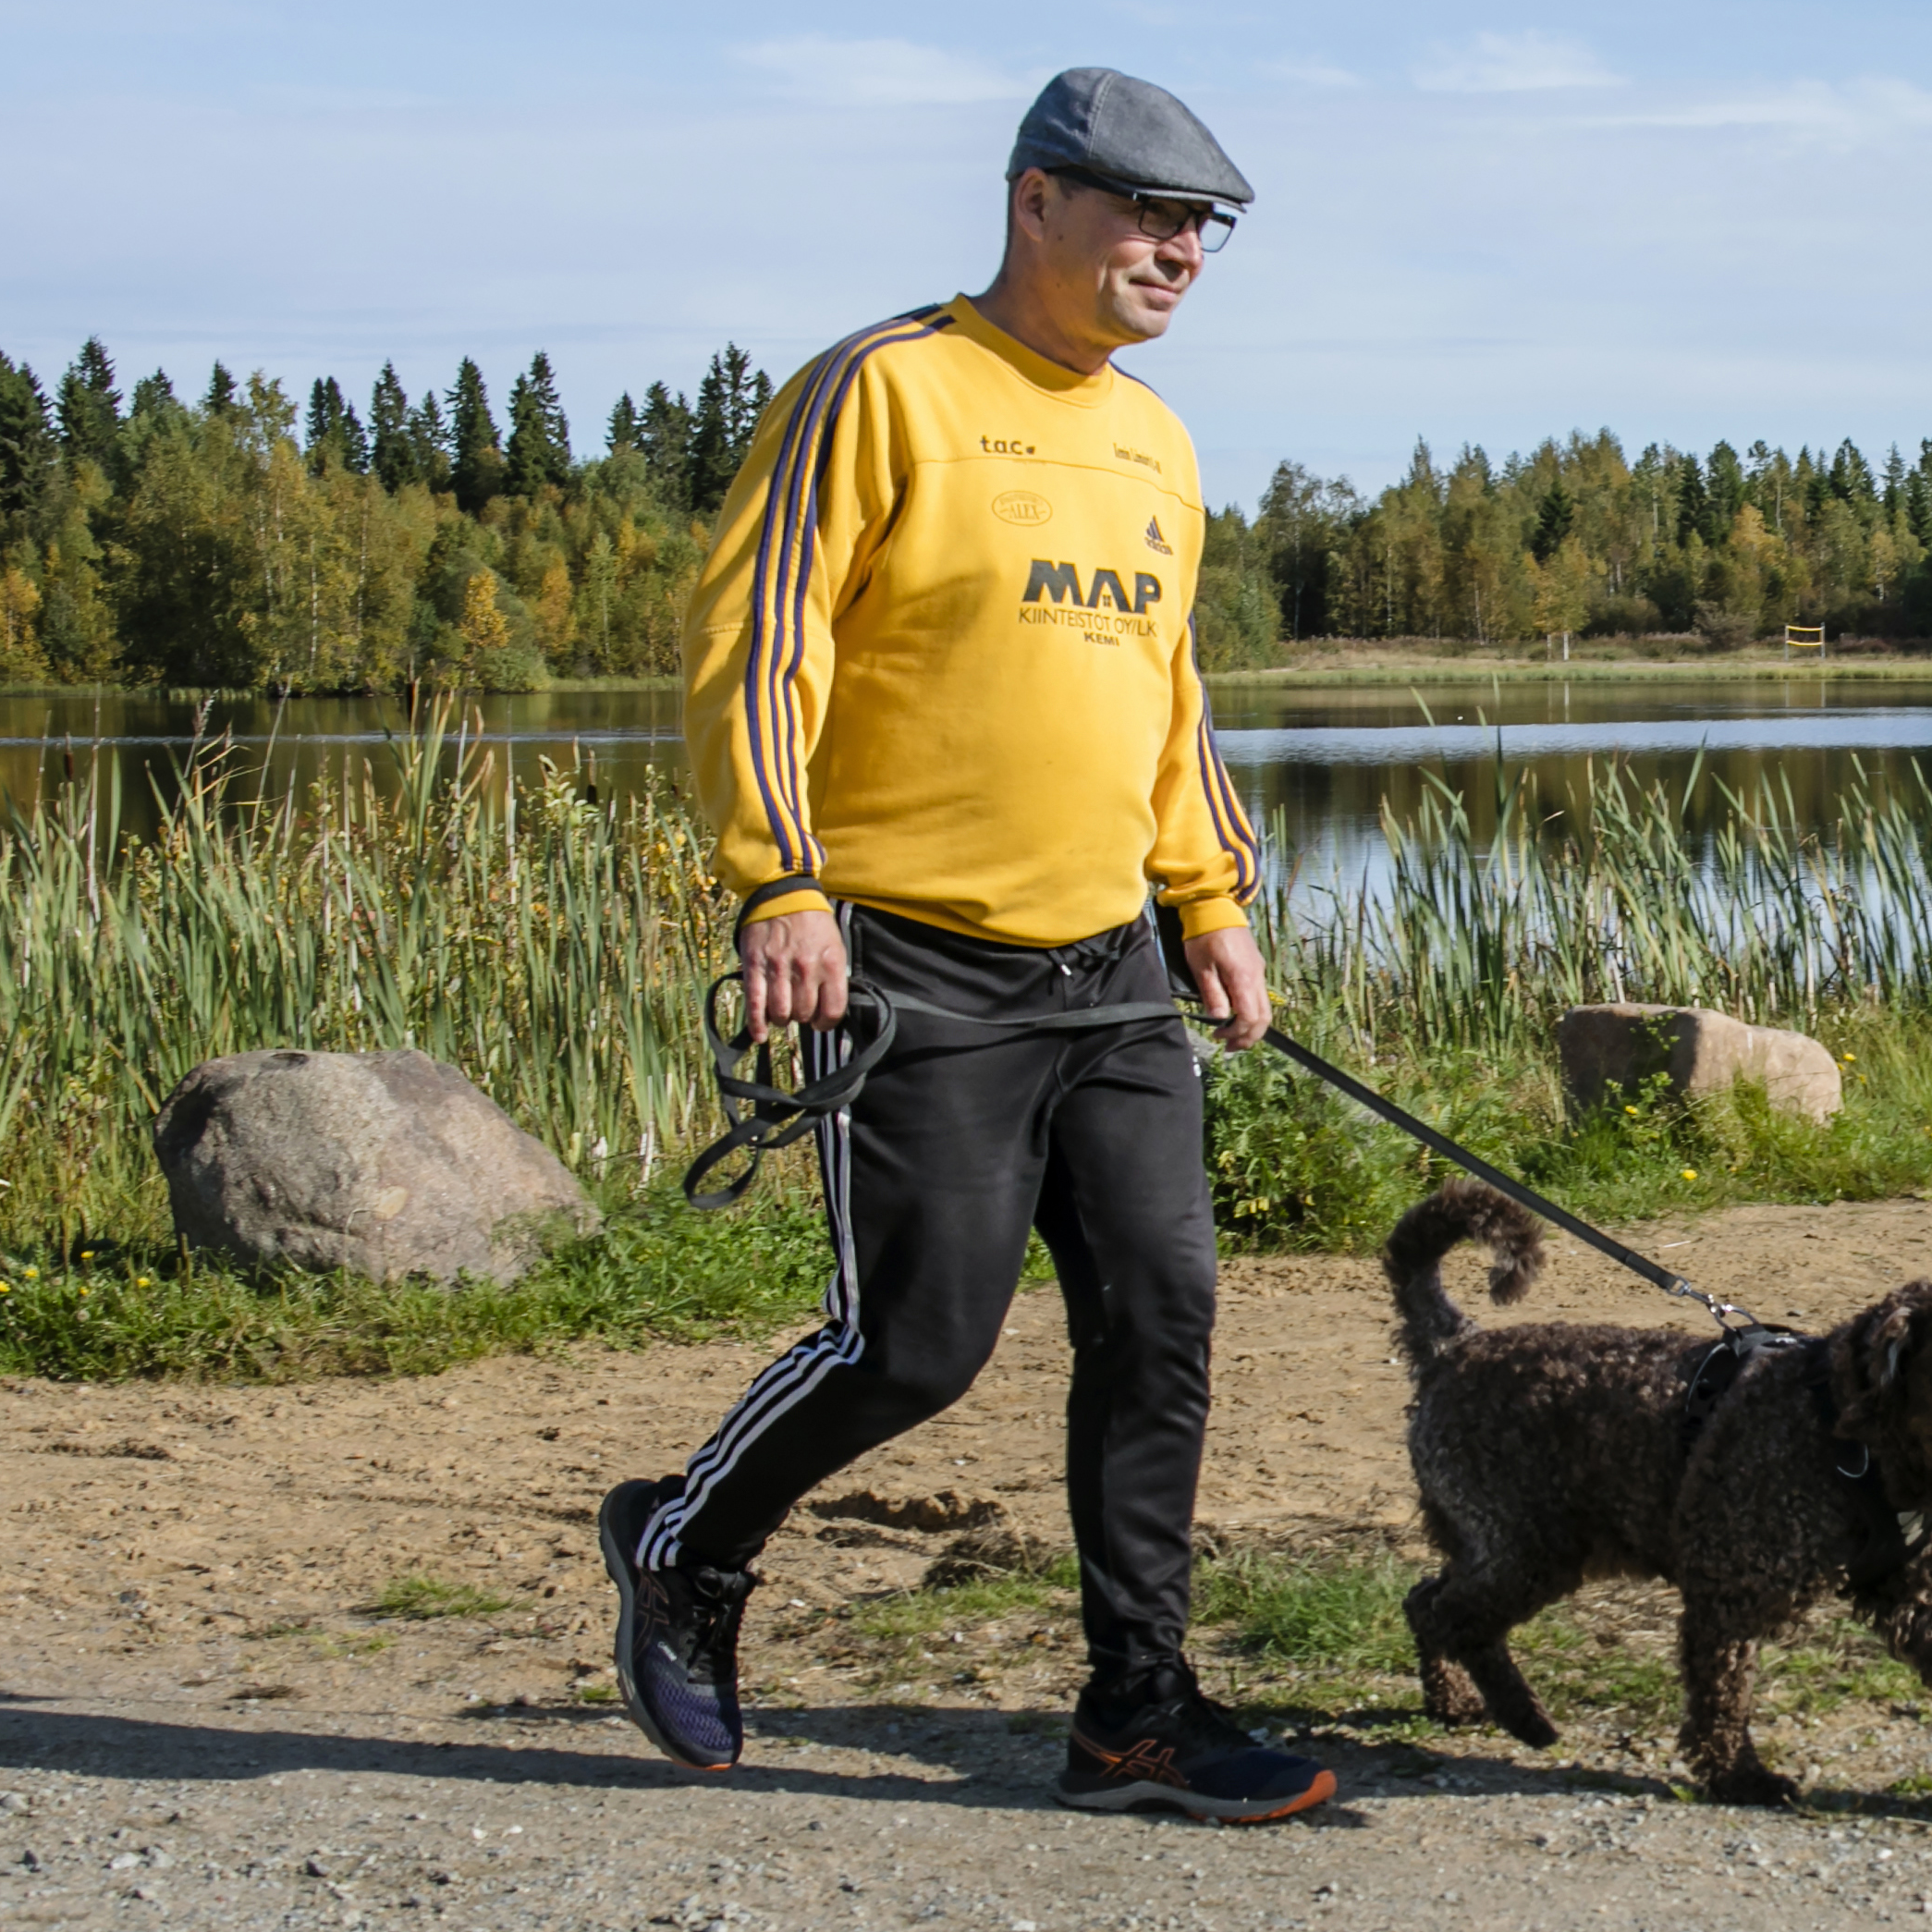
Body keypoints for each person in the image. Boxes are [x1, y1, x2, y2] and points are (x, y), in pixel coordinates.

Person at [596, 67, 1330, 1825]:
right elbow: (756, 645)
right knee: (917, 1343)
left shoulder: (1155, 439)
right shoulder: (886, 391)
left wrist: (1210, 895)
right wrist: (779, 881)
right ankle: (684, 1551)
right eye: (1151, 215)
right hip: (911, 963)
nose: (1182, 252)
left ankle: (1135, 1714)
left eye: (1201, 228)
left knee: (1161, 1322)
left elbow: (1167, 692)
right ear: (1037, 204)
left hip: (1115, 966)